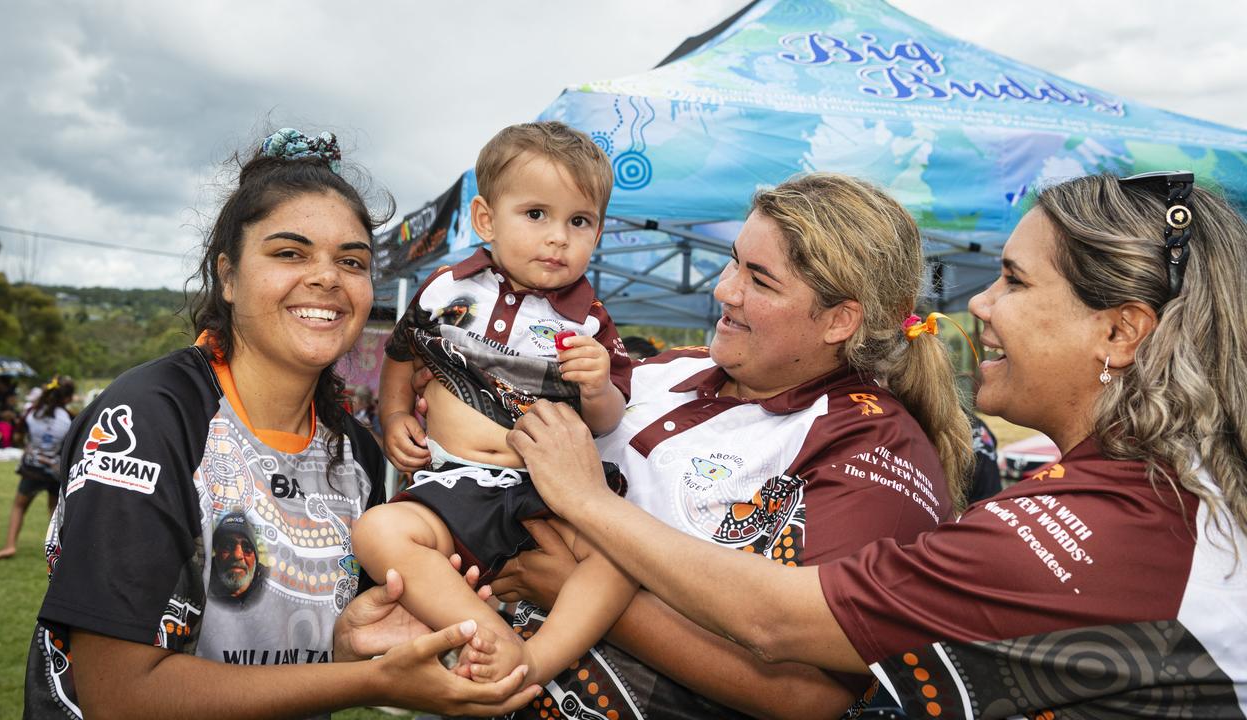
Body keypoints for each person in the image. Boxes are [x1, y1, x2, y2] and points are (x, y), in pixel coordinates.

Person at [508, 171, 1247, 717]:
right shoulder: (1150, 495)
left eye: (1014, 283)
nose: (978, 304)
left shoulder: (1106, 525)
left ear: (1118, 332)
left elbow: (784, 636)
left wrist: (581, 507)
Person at [23, 127, 540, 719]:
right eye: (289, 253)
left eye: (352, 261)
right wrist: (368, 685)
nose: (327, 278)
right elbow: (120, 695)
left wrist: (350, 648)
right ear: (229, 276)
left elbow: (316, 664)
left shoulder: (359, 456)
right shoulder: (149, 417)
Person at [486, 173, 975, 719]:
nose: (724, 289)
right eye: (733, 260)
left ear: (840, 320)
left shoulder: (871, 444)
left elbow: (810, 697)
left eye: (760, 282)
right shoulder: (670, 368)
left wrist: (578, 582)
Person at [355, 120, 636, 687]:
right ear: (486, 219)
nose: (559, 236)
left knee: (625, 557)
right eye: (536, 214)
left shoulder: (588, 320)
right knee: (377, 532)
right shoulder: (445, 289)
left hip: (546, 490)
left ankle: (540, 657)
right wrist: (393, 416)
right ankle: (491, 635)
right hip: (450, 484)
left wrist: (598, 387)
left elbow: (608, 420)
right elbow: (403, 360)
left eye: (578, 221)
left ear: (598, 231)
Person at [0, 376, 76, 561]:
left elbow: (18, 436)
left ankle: (10, 545)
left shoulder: (32, 412)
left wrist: (27, 446)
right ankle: (63, 551)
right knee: (55, 510)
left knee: (19, 506)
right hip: (56, 471)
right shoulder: (69, 418)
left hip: (32, 469)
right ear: (67, 398)